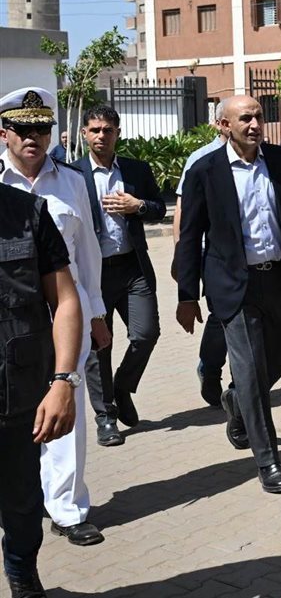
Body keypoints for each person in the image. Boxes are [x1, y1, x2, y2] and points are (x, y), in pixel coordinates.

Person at [174, 95, 281, 493]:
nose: (255, 124)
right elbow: (189, 236)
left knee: (276, 361)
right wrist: (187, 295)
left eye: (258, 116)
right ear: (224, 126)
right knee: (251, 371)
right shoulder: (205, 171)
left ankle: (237, 402)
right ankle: (268, 461)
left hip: (280, 280)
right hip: (233, 287)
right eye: (245, 119)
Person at [0, 87, 110, 547]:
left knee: (66, 404)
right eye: (23, 129)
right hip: (11, 318)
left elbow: (88, 253)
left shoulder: (72, 181)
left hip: (67, 310)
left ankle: (66, 507)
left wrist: (97, 311)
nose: (33, 138)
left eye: (41, 129)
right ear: (4, 133)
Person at [0, 183, 85, 598]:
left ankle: (21, 573)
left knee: (22, 505)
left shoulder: (29, 213)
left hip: (16, 395)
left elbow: (65, 300)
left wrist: (64, 381)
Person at [75, 106, 165, 448]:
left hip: (132, 269)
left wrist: (137, 206)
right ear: (84, 133)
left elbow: (158, 209)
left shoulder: (136, 170)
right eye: (95, 129)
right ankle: (106, 416)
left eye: (108, 130)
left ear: (118, 133)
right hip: (93, 272)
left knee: (146, 333)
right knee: (99, 345)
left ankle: (123, 386)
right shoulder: (73, 174)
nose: (101, 135)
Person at [172, 105, 228, 407]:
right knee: (221, 314)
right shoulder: (200, 159)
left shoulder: (259, 157)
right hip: (212, 254)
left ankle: (243, 383)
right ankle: (210, 367)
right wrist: (182, 255)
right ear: (219, 123)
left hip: (250, 256)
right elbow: (184, 210)